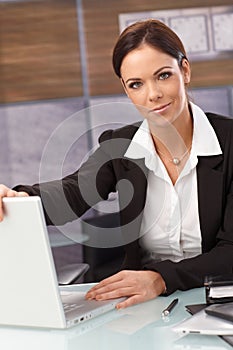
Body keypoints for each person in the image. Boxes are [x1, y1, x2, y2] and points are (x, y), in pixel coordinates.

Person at [0, 19, 233, 309]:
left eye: (162, 76)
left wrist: (160, 278)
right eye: (136, 84)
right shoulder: (121, 147)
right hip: (146, 303)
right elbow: (73, 193)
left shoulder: (229, 143)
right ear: (126, 89)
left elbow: (230, 251)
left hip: (219, 297)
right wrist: (21, 199)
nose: (153, 95)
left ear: (184, 70)